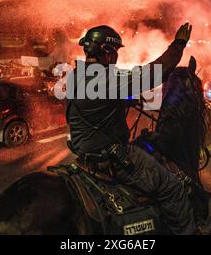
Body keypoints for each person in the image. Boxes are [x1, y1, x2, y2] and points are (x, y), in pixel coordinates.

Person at [66, 23, 196, 234]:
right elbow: (154, 73)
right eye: (115, 52)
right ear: (107, 53)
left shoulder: (75, 76)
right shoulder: (107, 78)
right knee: (173, 188)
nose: (116, 57)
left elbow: (95, 106)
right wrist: (178, 44)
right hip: (113, 158)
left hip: (83, 155)